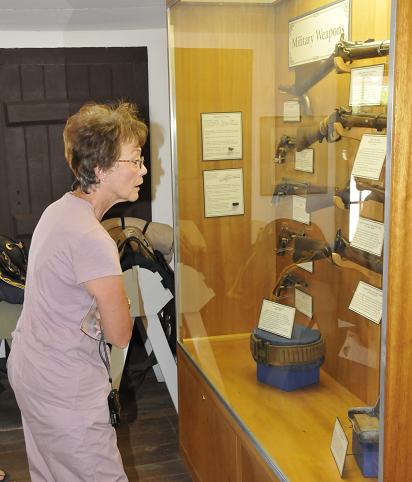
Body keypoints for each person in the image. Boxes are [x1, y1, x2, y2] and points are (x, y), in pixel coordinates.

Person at [7, 102, 148, 481]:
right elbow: (121, 335)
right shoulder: (92, 238)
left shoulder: (59, 210)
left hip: (33, 370)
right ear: (101, 170)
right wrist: (121, 303)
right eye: (134, 160)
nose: (143, 170)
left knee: (52, 474)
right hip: (62, 389)